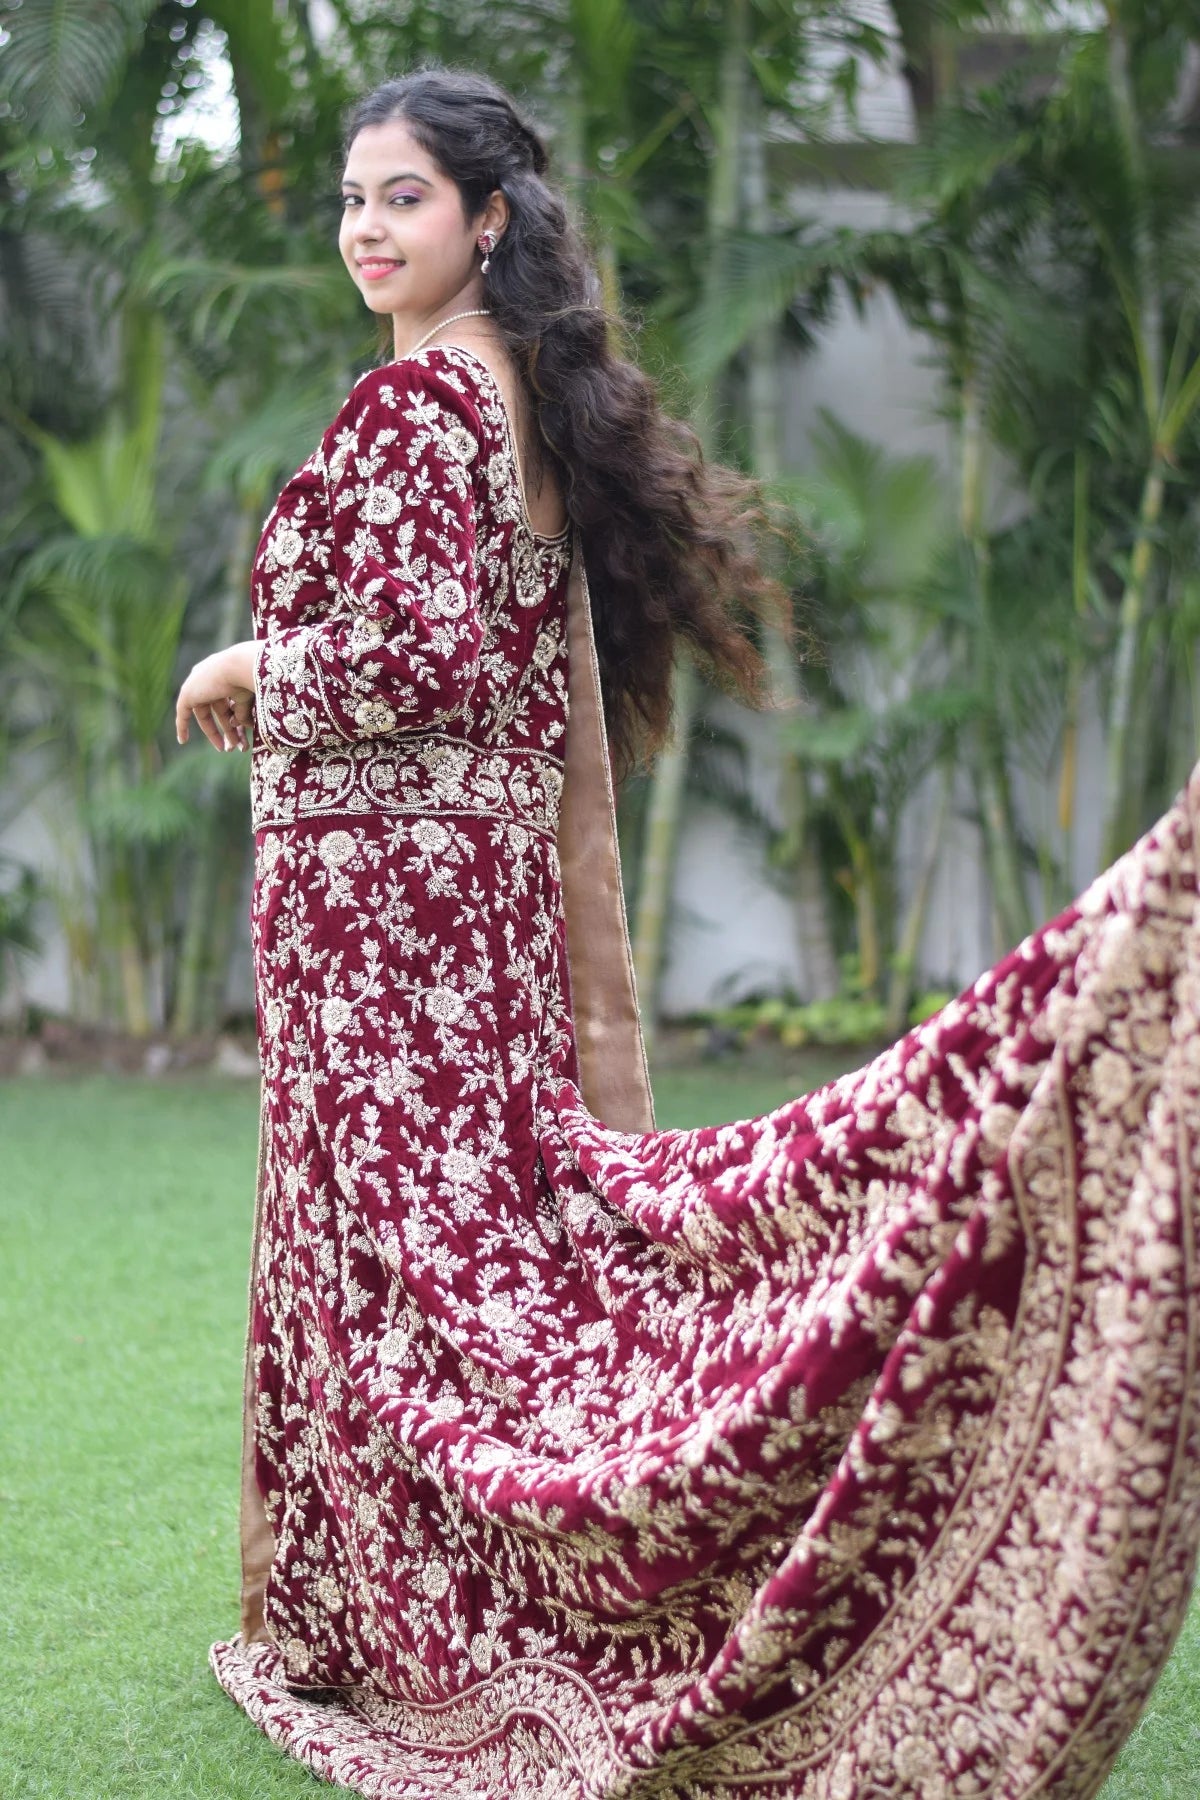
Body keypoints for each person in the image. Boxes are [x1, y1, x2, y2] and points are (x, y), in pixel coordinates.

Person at [175, 66, 1200, 1800]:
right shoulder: (510, 399)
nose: (365, 227)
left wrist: (252, 667)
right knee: (474, 1262)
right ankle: (394, 1598)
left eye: (403, 196)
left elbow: (419, 658)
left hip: (390, 945)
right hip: (448, 929)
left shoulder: (429, 406)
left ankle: (427, 1616)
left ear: (486, 221)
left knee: (420, 1284)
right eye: (352, 197)